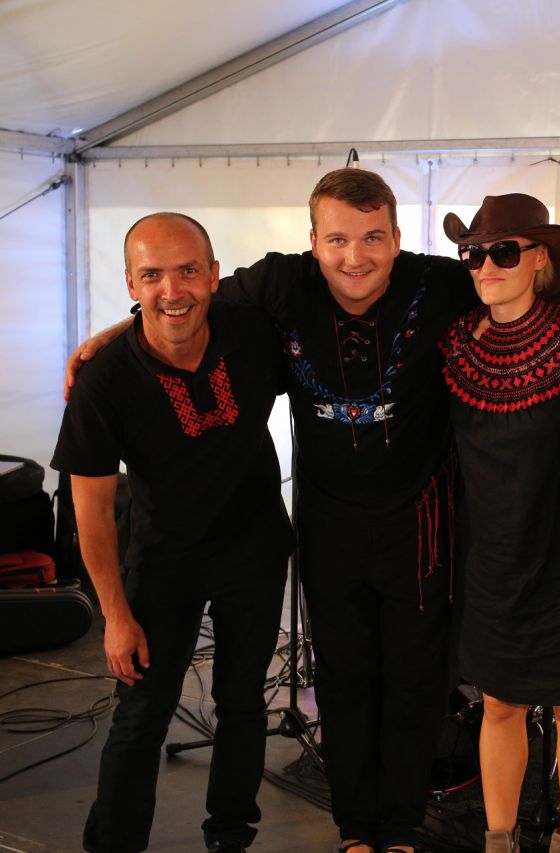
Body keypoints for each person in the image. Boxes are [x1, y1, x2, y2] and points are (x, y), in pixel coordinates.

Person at [64, 169, 560, 853]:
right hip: (328, 523)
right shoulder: (280, 283)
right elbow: (182, 297)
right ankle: (355, 829)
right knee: (342, 680)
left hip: (420, 522)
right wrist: (114, 333)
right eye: (339, 239)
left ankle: (400, 827)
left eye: (373, 237)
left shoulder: (440, 280)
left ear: (397, 238)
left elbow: (526, 278)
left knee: (415, 681)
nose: (356, 256)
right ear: (314, 241)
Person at [52, 213, 294, 853]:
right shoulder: (105, 381)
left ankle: (231, 835)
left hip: (254, 550)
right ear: (130, 283)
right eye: (152, 275)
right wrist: (115, 616)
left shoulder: (253, 331)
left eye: (188, 271)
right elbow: (90, 513)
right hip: (164, 562)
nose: (172, 290)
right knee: (141, 715)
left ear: (214, 275)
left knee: (243, 703)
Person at [438, 193, 560, 853]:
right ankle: (498, 838)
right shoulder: (455, 340)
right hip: (489, 558)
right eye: (475, 254)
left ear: (541, 259)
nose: (486, 265)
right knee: (499, 703)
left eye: (504, 251)